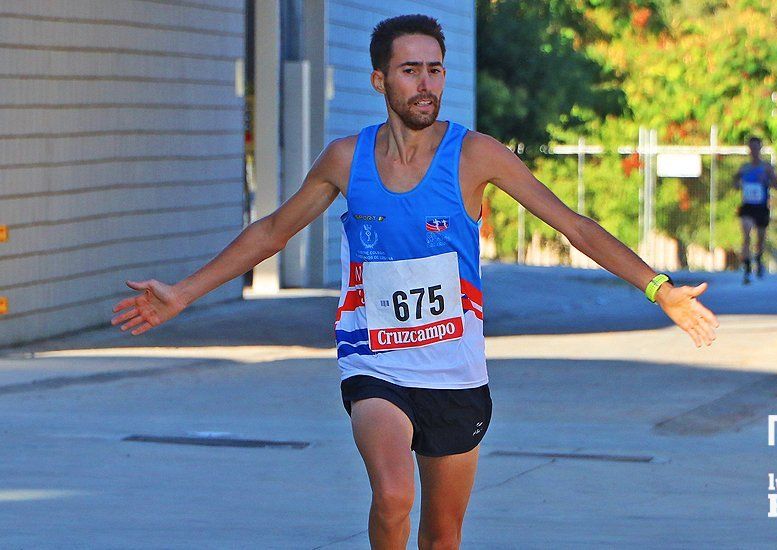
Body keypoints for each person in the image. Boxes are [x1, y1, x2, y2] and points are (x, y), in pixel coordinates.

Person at [111, 14, 719, 550]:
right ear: (380, 81)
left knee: (442, 536)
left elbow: (574, 226)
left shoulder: (477, 155)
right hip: (375, 363)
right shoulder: (347, 159)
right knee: (394, 497)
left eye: (435, 69)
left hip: (457, 374)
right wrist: (184, 293)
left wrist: (657, 287)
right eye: (410, 70)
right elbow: (273, 230)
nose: (426, 84)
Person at [733, 136, 777, 284]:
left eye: (756, 148)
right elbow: (734, 181)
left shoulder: (766, 167)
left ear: (760, 149)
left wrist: (767, 181)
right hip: (747, 206)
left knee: (760, 238)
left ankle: (758, 260)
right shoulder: (744, 168)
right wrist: (738, 185)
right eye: (751, 148)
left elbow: (776, 184)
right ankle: (747, 267)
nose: (754, 151)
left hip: (761, 207)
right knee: (746, 235)